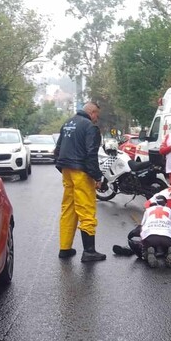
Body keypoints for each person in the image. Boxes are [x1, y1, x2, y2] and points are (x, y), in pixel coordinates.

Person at [54, 101, 106, 262]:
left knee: (68, 209)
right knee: (86, 209)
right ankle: (89, 251)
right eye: (97, 113)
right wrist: (97, 177)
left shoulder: (68, 123)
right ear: (91, 112)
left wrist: (62, 167)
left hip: (67, 170)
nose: (97, 118)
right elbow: (91, 154)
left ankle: (65, 248)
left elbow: (57, 150)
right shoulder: (90, 127)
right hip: (81, 172)